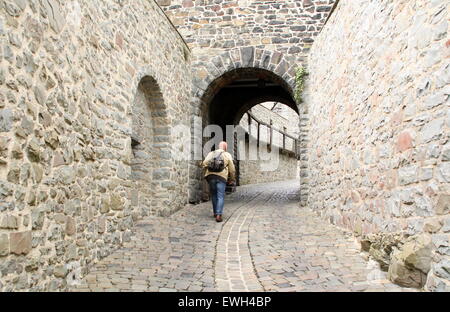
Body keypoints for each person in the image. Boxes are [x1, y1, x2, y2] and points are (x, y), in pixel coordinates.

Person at [201, 141, 236, 222]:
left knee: (213, 194)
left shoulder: (211, 153)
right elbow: (232, 169)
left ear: (218, 146)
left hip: (211, 176)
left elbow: (204, 163)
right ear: (225, 148)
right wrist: (232, 179)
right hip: (221, 177)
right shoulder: (227, 155)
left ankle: (215, 213)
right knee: (220, 196)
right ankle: (219, 214)